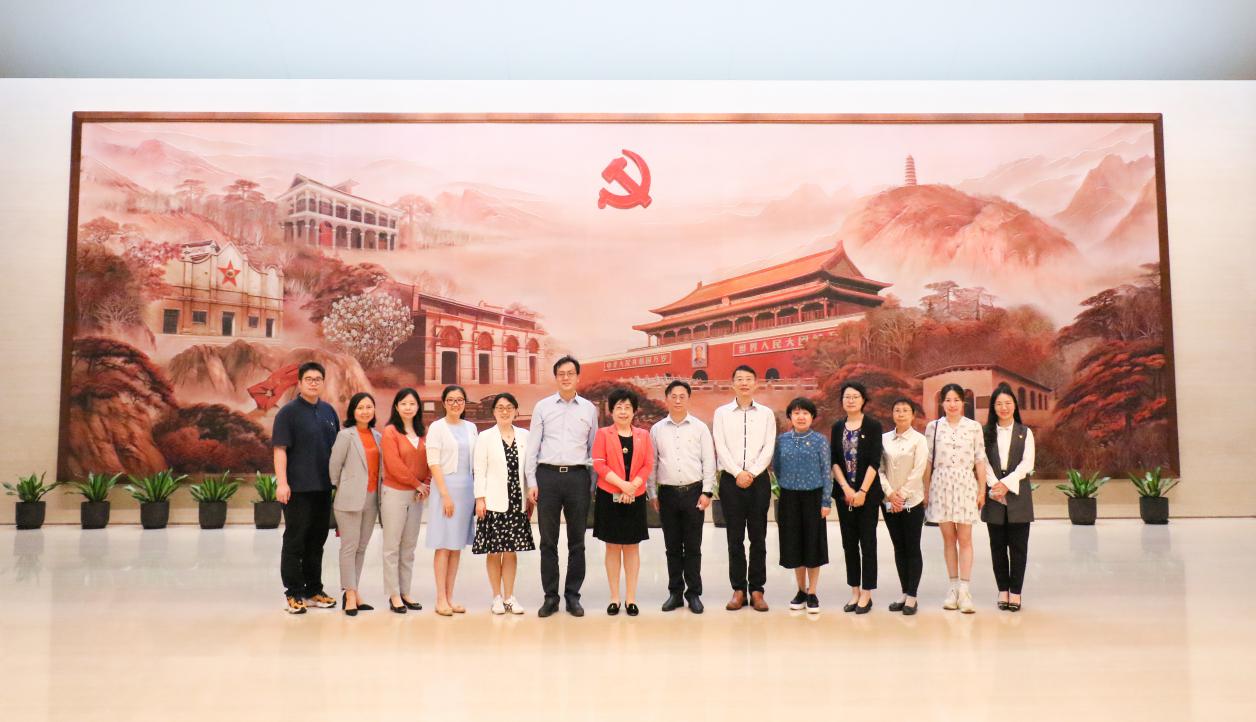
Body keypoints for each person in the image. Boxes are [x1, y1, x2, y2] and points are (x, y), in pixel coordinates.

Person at [525, 355, 599, 618]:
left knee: (577, 541)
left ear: (578, 377)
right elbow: (532, 447)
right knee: (548, 541)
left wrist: (592, 483)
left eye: (570, 373)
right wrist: (532, 481)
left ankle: (572, 596)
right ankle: (550, 597)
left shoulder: (589, 409)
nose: (566, 377)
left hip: (578, 478)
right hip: (548, 477)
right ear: (556, 377)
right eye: (561, 374)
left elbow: (593, 448)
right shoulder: (542, 407)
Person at [273, 361, 340, 614]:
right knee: (295, 540)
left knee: (317, 541)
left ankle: (313, 590)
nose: (313, 383)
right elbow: (280, 449)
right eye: (309, 379)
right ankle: (293, 592)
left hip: (323, 488)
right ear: (299, 383)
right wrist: (282, 483)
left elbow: (337, 450)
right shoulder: (288, 413)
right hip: (297, 489)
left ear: (323, 383)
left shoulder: (329, 412)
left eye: (318, 379)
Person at [648, 380, 716, 614]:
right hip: (667, 494)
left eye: (682, 396)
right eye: (673, 396)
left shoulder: (699, 428)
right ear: (667, 399)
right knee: (672, 546)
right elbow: (652, 463)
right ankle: (675, 593)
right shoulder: (657, 429)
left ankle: (693, 593)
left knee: (693, 546)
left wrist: (707, 492)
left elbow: (709, 461)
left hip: (693, 493)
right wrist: (652, 493)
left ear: (688, 399)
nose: (677, 400)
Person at [712, 365, 776, 612]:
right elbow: (720, 445)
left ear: (756, 383)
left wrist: (752, 472)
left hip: (758, 480)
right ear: (733, 384)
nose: (744, 383)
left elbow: (768, 446)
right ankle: (738, 589)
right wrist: (738, 472)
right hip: (731, 480)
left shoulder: (766, 414)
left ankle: (757, 590)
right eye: (739, 379)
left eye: (749, 379)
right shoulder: (721, 413)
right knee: (734, 537)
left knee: (758, 537)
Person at [924, 383, 987, 614]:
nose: (952, 404)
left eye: (956, 400)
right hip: (941, 484)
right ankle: (952, 588)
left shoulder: (973, 427)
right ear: (942, 403)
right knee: (948, 539)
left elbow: (980, 459)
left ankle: (965, 590)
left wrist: (982, 490)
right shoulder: (933, 427)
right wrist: (926, 490)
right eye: (948, 400)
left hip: (965, 484)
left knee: (965, 539)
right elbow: (928, 461)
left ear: (963, 402)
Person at [592, 387, 655, 616]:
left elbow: (648, 464)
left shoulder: (643, 435)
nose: (623, 411)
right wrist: (622, 485)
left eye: (628, 407)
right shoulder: (603, 434)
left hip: (634, 496)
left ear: (634, 411)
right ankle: (614, 598)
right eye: (618, 407)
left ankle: (630, 598)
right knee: (612, 546)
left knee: (631, 547)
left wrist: (633, 486)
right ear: (611, 411)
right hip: (609, 495)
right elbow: (599, 464)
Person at [472, 393, 536, 615]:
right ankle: (496, 597)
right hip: (493, 503)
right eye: (500, 407)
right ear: (493, 412)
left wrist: (529, 495)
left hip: (517, 502)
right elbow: (479, 470)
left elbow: (529, 469)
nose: (505, 411)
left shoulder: (525, 435)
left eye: (509, 407)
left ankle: (509, 597)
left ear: (516, 411)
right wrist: (480, 499)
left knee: (510, 551)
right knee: (494, 551)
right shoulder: (485, 437)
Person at [773, 397, 832, 614]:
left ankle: (813, 592)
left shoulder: (820, 441)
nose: (801, 417)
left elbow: (826, 472)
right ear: (790, 416)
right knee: (794, 544)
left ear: (812, 417)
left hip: (813, 498)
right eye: (796, 413)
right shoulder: (782, 440)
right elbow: (777, 468)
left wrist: (826, 501)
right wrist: (789, 485)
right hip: (789, 498)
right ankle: (800, 590)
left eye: (805, 413)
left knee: (813, 544)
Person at [830, 381, 884, 614]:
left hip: (867, 495)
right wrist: (846, 489)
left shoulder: (873, 426)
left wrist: (862, 491)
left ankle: (867, 593)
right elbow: (834, 460)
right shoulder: (837, 427)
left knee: (868, 543)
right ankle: (854, 591)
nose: (850, 400)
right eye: (847, 397)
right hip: (845, 495)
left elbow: (874, 461)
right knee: (849, 543)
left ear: (863, 400)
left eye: (855, 396)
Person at [425, 385, 480, 616]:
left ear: (464, 403)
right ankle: (440, 598)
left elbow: (477, 461)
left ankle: (450, 597)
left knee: (456, 545)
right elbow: (433, 462)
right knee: (443, 544)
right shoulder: (437, 427)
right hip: (445, 489)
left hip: (467, 490)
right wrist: (445, 495)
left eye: (459, 400)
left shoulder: (471, 427)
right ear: (444, 403)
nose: (455, 404)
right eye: (451, 400)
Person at [329, 392, 384, 616]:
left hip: (372, 499)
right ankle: (349, 594)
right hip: (349, 499)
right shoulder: (345, 436)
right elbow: (334, 466)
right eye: (360, 407)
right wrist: (343, 487)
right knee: (349, 547)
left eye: (369, 407)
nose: (365, 411)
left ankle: (355, 590)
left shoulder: (378, 436)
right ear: (353, 411)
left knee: (361, 548)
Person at [982, 383, 1036, 612]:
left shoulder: (1025, 432)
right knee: (997, 547)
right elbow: (982, 462)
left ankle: (1015, 592)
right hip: (994, 494)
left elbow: (1027, 463)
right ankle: (1002, 590)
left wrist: (1007, 483)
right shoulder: (985, 432)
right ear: (993, 407)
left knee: (1018, 547)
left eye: (1008, 403)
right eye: (999, 404)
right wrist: (995, 484)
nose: (1003, 408)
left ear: (1014, 405)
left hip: (1018, 495)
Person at [380, 387, 431, 614]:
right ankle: (394, 594)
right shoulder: (390, 431)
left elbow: (430, 461)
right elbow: (394, 465)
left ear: (418, 406)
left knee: (409, 546)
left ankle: (405, 592)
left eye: (412, 403)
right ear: (396, 407)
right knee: (392, 546)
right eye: (403, 404)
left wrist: (425, 484)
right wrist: (417, 483)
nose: (408, 407)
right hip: (395, 493)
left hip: (417, 495)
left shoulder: (423, 432)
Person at [879, 398, 928, 615]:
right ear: (892, 414)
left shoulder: (919, 440)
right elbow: (879, 469)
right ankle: (904, 592)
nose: (900, 414)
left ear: (913, 415)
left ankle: (912, 596)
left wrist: (902, 495)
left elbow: (919, 470)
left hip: (912, 501)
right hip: (889, 501)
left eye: (905, 410)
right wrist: (890, 494)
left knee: (912, 547)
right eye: (897, 410)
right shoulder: (883, 439)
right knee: (899, 547)